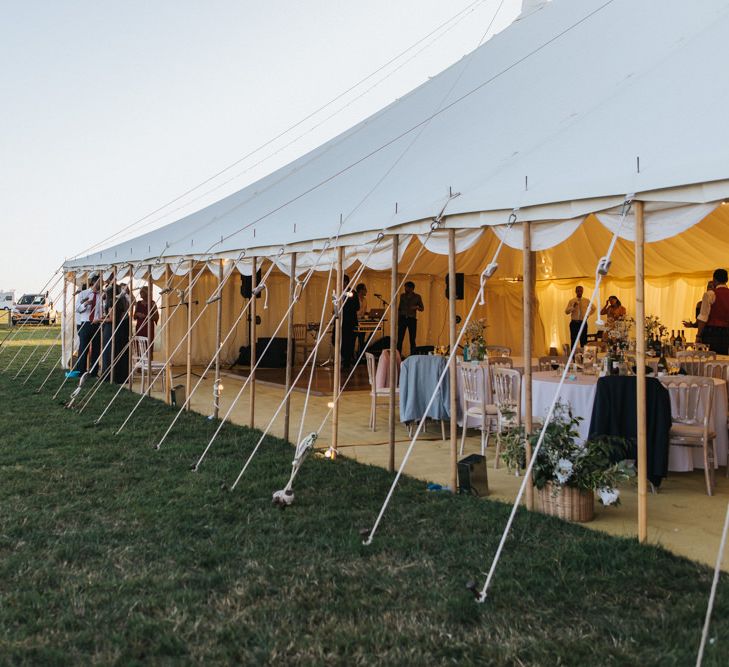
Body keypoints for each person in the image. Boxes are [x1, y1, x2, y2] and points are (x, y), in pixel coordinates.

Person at [66, 274, 100, 378]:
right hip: (85, 323)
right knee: (83, 348)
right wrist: (85, 304)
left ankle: (94, 372)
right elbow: (77, 308)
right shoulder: (84, 293)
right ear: (93, 283)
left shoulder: (102, 295)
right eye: (98, 283)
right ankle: (81, 370)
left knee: (96, 349)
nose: (100, 285)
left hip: (97, 323)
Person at [696, 269, 729, 354]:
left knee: (710, 360)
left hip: (712, 333)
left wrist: (698, 335)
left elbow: (703, 317)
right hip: (727, 334)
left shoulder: (710, 294)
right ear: (727, 280)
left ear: (714, 280)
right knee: (724, 360)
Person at [397, 281, 424, 355]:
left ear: (412, 288)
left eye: (407, 287)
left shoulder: (417, 297)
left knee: (412, 339)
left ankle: (412, 355)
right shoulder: (402, 296)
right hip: (402, 318)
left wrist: (416, 307)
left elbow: (422, 308)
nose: (405, 289)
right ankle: (398, 355)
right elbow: (399, 308)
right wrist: (398, 319)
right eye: (405, 287)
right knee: (400, 339)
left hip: (412, 319)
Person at [564, 285, 594, 349]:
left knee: (583, 340)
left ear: (582, 291)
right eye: (578, 291)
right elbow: (566, 312)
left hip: (583, 323)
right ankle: (573, 357)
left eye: (580, 291)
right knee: (574, 340)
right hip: (574, 323)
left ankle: (583, 356)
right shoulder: (572, 301)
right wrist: (573, 307)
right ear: (575, 291)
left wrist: (587, 315)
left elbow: (594, 308)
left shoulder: (587, 300)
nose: (579, 292)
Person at [134, 286, 159, 358]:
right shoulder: (138, 303)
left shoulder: (152, 303)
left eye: (142, 292)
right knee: (139, 346)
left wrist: (146, 316)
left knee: (149, 345)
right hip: (140, 327)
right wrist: (137, 314)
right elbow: (134, 316)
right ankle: (139, 366)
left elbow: (156, 316)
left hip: (148, 327)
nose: (140, 293)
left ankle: (149, 365)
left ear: (146, 293)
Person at [340, 275, 359, 368]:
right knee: (341, 341)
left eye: (341, 281)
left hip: (350, 322)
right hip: (342, 322)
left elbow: (357, 307)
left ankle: (347, 361)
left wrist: (345, 308)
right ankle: (344, 359)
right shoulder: (340, 292)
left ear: (346, 282)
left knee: (349, 342)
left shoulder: (352, 293)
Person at [355, 283, 369, 355]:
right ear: (361, 290)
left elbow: (363, 311)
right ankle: (352, 356)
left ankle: (360, 355)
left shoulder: (365, 300)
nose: (366, 291)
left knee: (361, 340)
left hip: (362, 321)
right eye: (365, 289)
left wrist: (370, 314)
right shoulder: (355, 298)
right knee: (353, 340)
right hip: (354, 321)